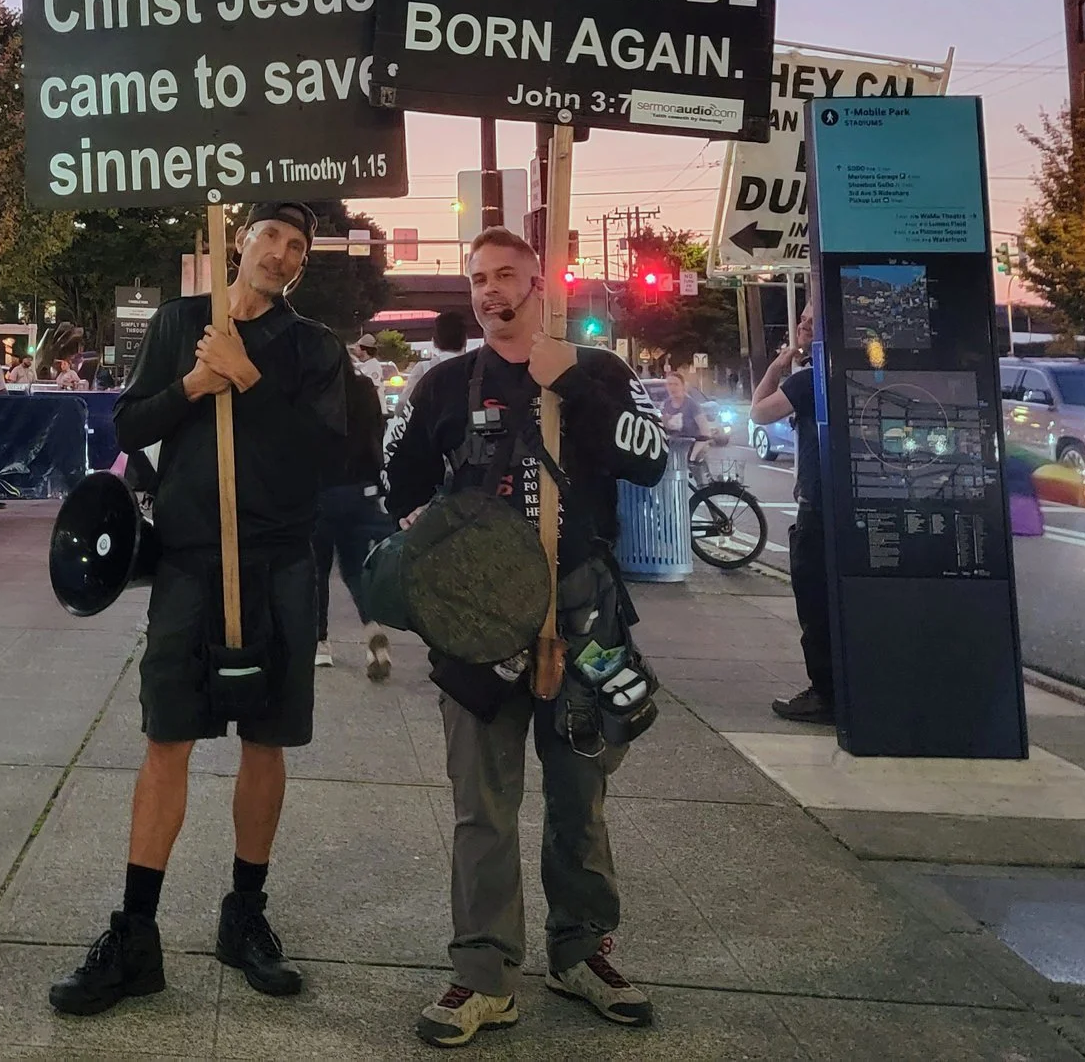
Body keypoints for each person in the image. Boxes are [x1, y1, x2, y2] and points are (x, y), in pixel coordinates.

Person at [50, 202, 347, 1016]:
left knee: (267, 738)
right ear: (240, 238)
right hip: (187, 562)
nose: (281, 253)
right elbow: (131, 419)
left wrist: (247, 378)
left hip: (279, 564)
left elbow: (325, 456)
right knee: (167, 737)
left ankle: (244, 915)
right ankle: (134, 935)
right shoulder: (184, 322)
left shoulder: (311, 347)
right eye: (270, 236)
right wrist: (194, 379)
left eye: (297, 247)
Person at [386, 227, 668, 1047]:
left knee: (581, 799)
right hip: (477, 627)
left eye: (506, 274)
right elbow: (393, 484)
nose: (489, 290)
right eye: (478, 278)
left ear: (539, 282)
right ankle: (483, 974)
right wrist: (433, 548)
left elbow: (651, 461)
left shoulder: (600, 372)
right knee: (482, 805)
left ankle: (581, 951)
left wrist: (571, 387)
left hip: (582, 616)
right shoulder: (442, 386)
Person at [753, 306, 831, 724]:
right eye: (801, 319)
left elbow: (760, 411)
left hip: (817, 505)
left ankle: (824, 693)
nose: (802, 326)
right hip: (844, 502)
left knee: (815, 605)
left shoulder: (809, 378)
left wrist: (777, 366)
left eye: (810, 321)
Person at [313, 339, 395, 678]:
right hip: (361, 490)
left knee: (317, 572)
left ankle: (321, 645)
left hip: (320, 492)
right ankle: (371, 625)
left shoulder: (314, 391)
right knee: (355, 568)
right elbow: (378, 430)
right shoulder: (364, 388)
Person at [397, 310, 471, 417]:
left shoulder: (424, 369)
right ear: (465, 340)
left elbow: (403, 406)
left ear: (434, 342)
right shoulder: (476, 368)